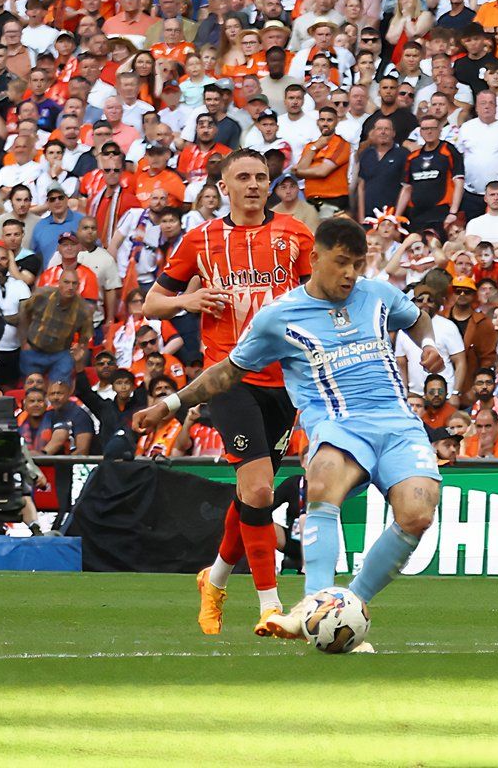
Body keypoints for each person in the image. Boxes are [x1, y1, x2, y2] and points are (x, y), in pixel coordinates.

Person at [138, 217, 447, 649]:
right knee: (320, 481)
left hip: (397, 424)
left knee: (418, 514)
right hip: (339, 427)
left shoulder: (377, 294)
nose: (350, 275)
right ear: (316, 258)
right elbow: (226, 373)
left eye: (358, 264)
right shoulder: (278, 317)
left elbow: (417, 319)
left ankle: (335, 610)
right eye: (341, 263)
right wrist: (168, 406)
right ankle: (313, 605)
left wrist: (428, 344)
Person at [139, 149, 315, 637]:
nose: (255, 185)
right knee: (258, 488)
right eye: (244, 177)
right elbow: (152, 303)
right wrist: (186, 300)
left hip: (285, 382)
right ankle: (269, 606)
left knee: (249, 494)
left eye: (262, 176)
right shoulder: (201, 239)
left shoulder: (296, 235)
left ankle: (213, 581)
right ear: (223, 185)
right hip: (228, 378)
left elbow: (316, 299)